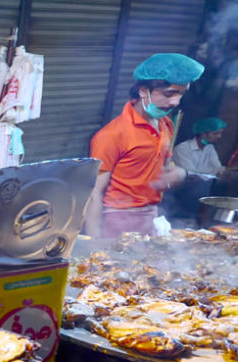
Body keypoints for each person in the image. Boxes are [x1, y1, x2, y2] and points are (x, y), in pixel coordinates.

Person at [85, 53, 205, 237]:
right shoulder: (111, 135)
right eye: (168, 94)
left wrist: (177, 173)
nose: (175, 102)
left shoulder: (167, 124)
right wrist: (93, 243)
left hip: (151, 216)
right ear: (143, 90)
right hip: (117, 220)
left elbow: (163, 170)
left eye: (181, 94)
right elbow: (94, 194)